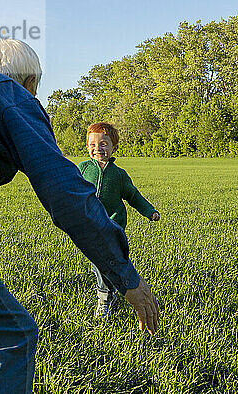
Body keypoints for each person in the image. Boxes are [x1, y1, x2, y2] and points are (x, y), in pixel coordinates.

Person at [0, 39, 159, 393]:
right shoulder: (10, 93)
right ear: (29, 81)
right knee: (4, 338)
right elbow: (67, 194)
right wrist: (125, 276)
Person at [78, 123, 160, 317]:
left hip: (113, 226)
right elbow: (72, 189)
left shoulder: (119, 175)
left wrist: (149, 211)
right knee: (97, 263)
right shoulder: (82, 168)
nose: (97, 148)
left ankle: (105, 297)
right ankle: (111, 290)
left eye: (103, 144)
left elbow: (133, 196)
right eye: (92, 144)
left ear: (114, 148)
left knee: (104, 262)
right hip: (89, 225)